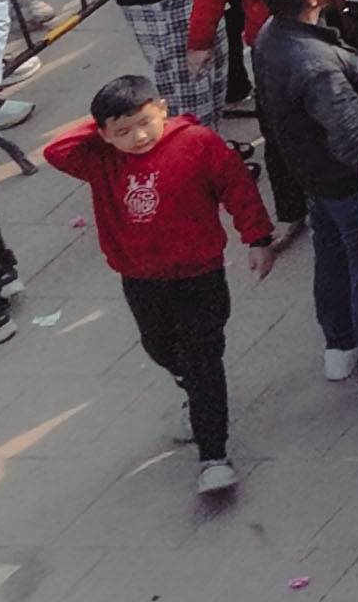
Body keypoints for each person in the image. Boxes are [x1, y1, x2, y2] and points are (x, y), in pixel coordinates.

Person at [28, 64, 273, 495]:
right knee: (158, 346)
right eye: (124, 130)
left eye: (145, 122)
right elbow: (56, 151)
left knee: (204, 359)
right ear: (104, 134)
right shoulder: (101, 158)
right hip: (139, 277)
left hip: (199, 274)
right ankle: (191, 390)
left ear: (162, 109)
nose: (138, 137)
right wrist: (103, 126)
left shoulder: (197, 143)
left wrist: (257, 237)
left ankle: (213, 453)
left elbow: (237, 188)